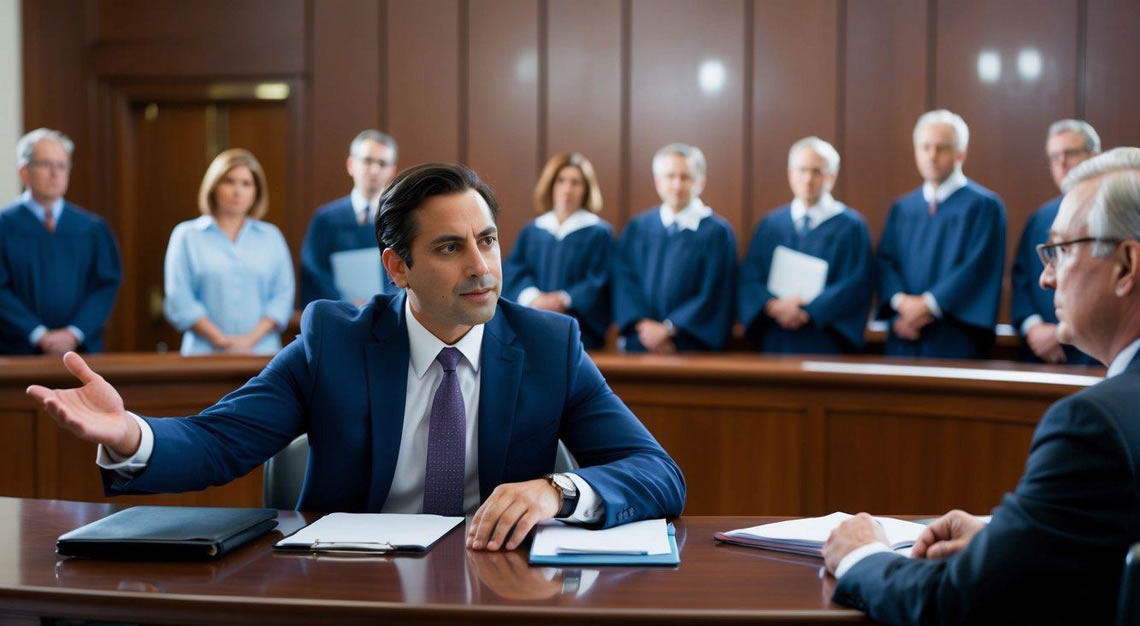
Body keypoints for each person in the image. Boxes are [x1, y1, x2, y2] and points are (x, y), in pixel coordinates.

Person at [27, 163, 685, 552]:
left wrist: (558, 491)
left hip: (500, 587)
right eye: (451, 248)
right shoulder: (334, 339)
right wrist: (129, 435)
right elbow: (217, 442)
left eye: (487, 239)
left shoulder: (550, 344)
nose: (484, 267)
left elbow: (658, 473)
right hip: (349, 586)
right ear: (397, 267)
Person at [822, 148, 1140, 625]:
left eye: (1061, 251)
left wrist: (860, 557)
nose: (1046, 278)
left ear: (1126, 266)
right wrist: (1009, 536)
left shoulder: (1092, 425)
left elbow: (953, 602)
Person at [875, 110, 1007, 359]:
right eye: (925, 147)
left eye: (941, 148)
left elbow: (977, 268)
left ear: (961, 153)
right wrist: (901, 304)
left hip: (954, 338)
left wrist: (929, 306)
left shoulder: (984, 206)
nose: (932, 156)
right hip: (903, 335)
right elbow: (885, 263)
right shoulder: (902, 208)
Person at [738, 137, 874, 354]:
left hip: (826, 339)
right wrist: (773, 306)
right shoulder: (770, 225)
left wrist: (810, 311)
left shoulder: (852, 227)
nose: (808, 179)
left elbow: (856, 283)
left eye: (817, 171)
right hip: (776, 337)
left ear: (832, 176)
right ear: (790, 173)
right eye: (801, 170)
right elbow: (750, 277)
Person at [0, 128, 121, 355]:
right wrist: (37, 333)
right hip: (18, 353)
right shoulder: (4, 225)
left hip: (80, 353)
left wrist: (74, 332)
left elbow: (105, 285)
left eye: (62, 165)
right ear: (24, 172)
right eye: (45, 164)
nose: (56, 174)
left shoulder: (92, 228)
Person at [162, 149, 295, 355]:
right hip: (203, 354)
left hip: (262, 353)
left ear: (256, 191)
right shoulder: (186, 235)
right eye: (229, 181)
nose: (237, 191)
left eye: (246, 184)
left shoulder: (271, 237)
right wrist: (222, 341)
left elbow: (282, 297)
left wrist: (249, 341)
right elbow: (180, 299)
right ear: (214, 186)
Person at [612, 143, 736, 353]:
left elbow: (716, 293)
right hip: (641, 343)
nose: (677, 185)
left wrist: (669, 329)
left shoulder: (717, 233)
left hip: (690, 346)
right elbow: (625, 283)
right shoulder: (638, 228)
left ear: (700, 182)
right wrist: (643, 326)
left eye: (685, 177)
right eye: (670, 176)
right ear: (657, 181)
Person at [1011, 120, 1101, 365]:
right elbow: (1022, 280)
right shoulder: (1041, 217)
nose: (1061, 162)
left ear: (1094, 157)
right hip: (1040, 353)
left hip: (1092, 351)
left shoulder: (1111, 213)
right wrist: (1033, 328)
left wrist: (1064, 332)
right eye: (1054, 156)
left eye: (1070, 153)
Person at [502, 152, 613, 350]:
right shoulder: (533, 230)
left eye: (575, 182)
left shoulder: (599, 233)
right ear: (551, 185)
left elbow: (599, 280)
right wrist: (533, 297)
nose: (567, 189)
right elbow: (514, 271)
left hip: (579, 332)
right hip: (532, 324)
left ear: (586, 189)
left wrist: (564, 299)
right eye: (561, 181)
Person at [301, 130, 400, 307]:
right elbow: (314, 272)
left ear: (392, 171)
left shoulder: (400, 219)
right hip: (337, 316)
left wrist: (384, 303)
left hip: (389, 315)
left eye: (382, 163)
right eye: (367, 160)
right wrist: (344, 304)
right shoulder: (326, 219)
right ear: (351, 164)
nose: (374, 169)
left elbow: (407, 270)